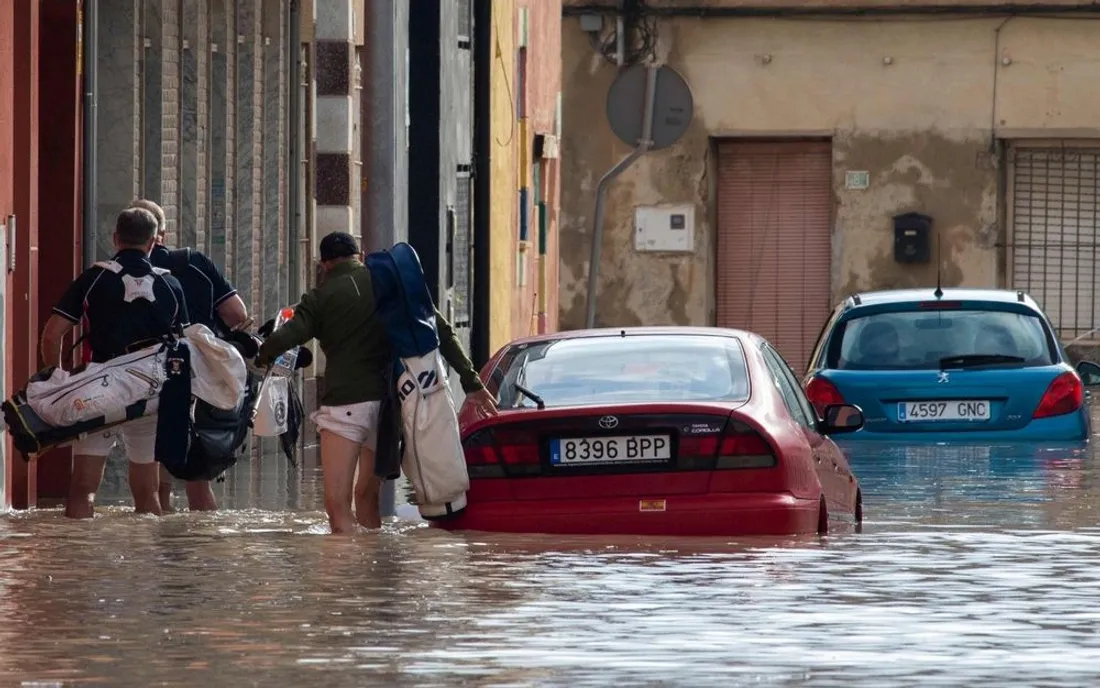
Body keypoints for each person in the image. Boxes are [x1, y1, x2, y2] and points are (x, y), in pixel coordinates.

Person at [255, 232, 498, 535]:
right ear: (361, 253)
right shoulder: (392, 284)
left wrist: (260, 356)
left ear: (324, 264)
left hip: (345, 407)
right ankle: (373, 569)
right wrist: (471, 381)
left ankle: (348, 578)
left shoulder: (320, 298)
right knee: (366, 496)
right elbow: (442, 332)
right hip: (389, 409)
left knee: (337, 504)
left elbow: (287, 337)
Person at [39, 207, 190, 519]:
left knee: (83, 488)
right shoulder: (171, 286)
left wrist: (55, 380)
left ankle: (83, 562)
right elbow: (183, 348)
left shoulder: (93, 279)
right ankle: (148, 564)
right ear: (153, 243)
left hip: (98, 393)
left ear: (115, 238)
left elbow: (53, 335)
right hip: (149, 393)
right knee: (148, 493)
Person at [130, 198, 251, 513]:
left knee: (153, 470)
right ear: (163, 234)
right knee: (197, 479)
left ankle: (159, 545)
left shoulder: (123, 271)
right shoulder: (193, 262)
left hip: (142, 376)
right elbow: (237, 313)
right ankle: (199, 550)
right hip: (196, 376)